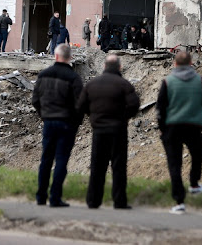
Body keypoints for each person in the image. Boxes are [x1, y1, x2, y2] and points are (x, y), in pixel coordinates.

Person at [76, 54, 140, 209]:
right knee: (118, 167)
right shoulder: (124, 85)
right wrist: (123, 118)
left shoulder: (92, 84)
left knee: (97, 166)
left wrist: (93, 115)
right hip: (118, 130)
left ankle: (93, 200)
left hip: (99, 130)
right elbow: (134, 105)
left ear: (104, 66)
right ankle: (119, 201)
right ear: (119, 67)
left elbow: (81, 105)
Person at [156, 50, 202, 215]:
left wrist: (162, 127)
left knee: (174, 164)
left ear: (175, 64)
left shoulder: (168, 82)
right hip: (193, 125)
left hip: (172, 127)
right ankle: (194, 184)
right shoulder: (200, 81)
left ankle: (179, 201)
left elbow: (160, 107)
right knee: (197, 155)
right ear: (191, 63)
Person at [32, 44, 83, 207]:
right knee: (61, 160)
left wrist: (44, 115)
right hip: (67, 124)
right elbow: (80, 104)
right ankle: (55, 197)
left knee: (45, 159)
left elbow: (35, 100)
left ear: (55, 56)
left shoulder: (44, 75)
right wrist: (76, 123)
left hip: (49, 122)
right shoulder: (74, 78)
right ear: (70, 58)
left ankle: (41, 196)